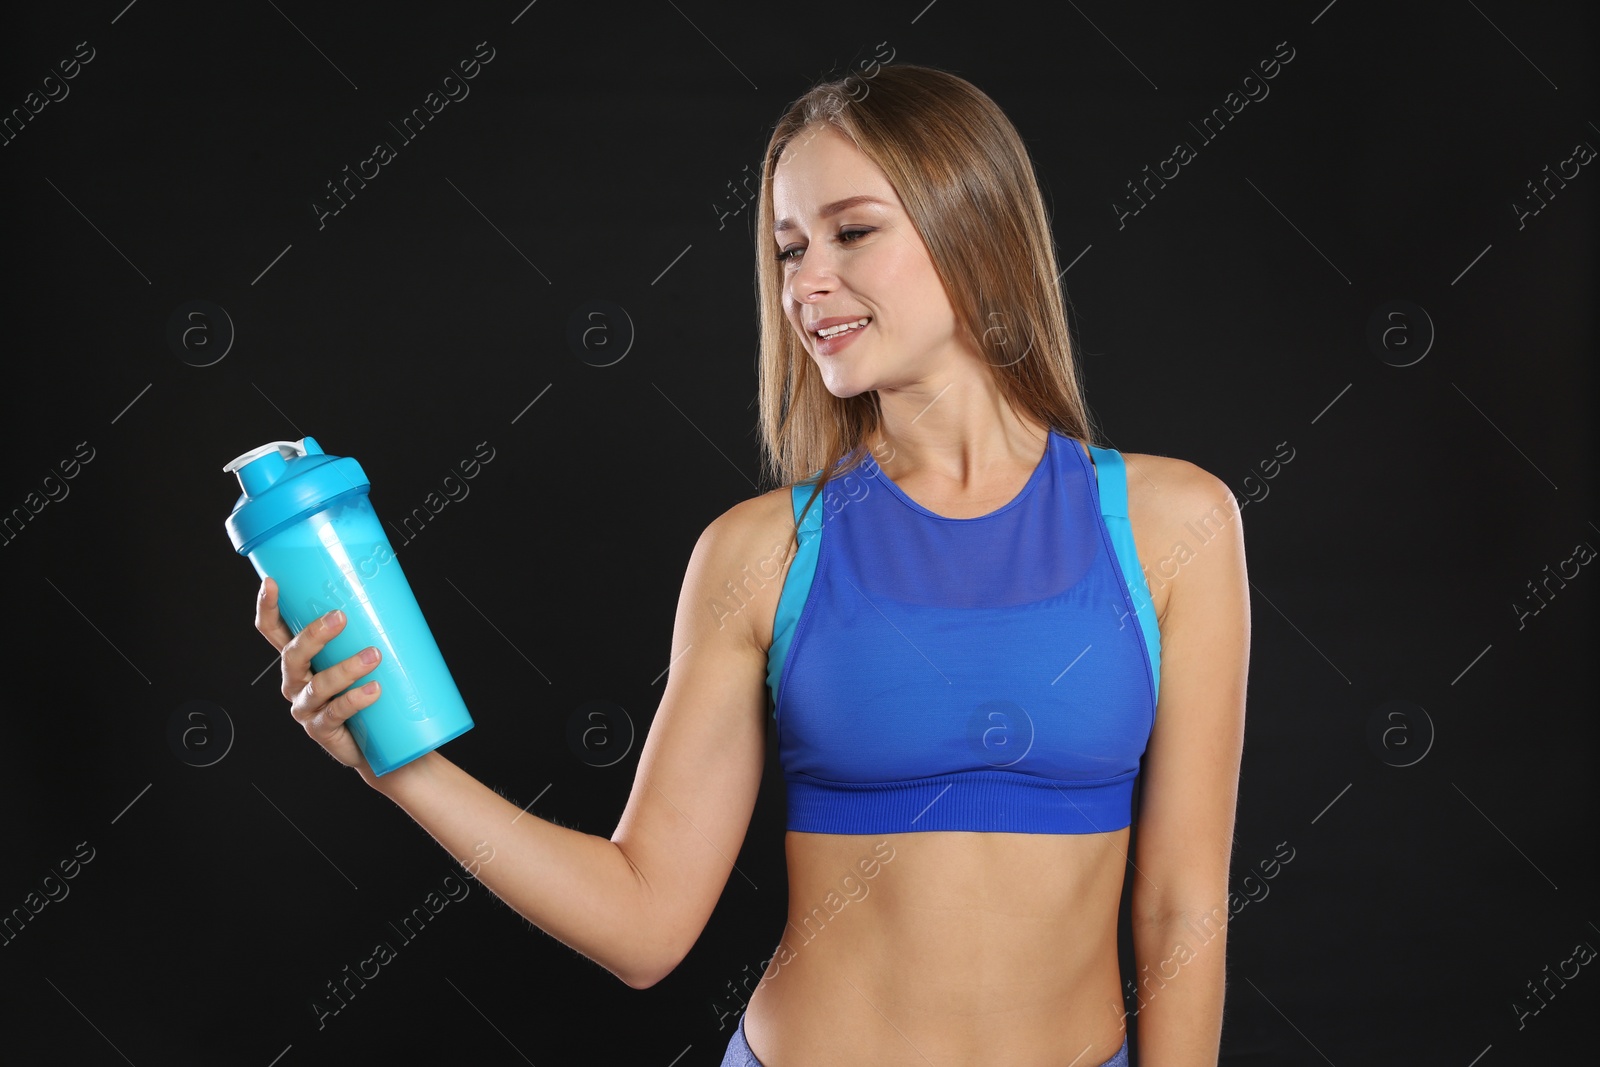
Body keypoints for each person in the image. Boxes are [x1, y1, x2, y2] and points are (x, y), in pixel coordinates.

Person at [254, 63, 1249, 1067]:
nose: (805, 284)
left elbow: (1180, 908)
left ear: (975, 227)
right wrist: (399, 765)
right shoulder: (760, 551)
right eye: (787, 247)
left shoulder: (1173, 524)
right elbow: (643, 922)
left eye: (852, 231)